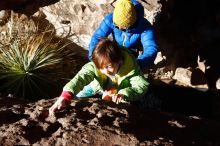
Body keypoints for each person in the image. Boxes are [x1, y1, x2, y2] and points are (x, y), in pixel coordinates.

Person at [49, 38, 149, 114]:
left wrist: (125, 93)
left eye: (109, 66)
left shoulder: (131, 68)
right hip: (98, 85)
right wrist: (65, 96)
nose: (105, 71)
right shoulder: (98, 63)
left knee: (119, 103)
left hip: (119, 91)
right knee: (77, 95)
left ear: (119, 60)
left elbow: (141, 86)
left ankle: (110, 96)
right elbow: (81, 77)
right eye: (101, 68)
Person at [88, 0, 158, 69]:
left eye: (123, 28)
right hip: (114, 49)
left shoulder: (144, 27)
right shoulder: (110, 19)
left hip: (132, 53)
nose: (119, 28)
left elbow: (150, 48)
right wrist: (94, 57)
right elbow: (97, 37)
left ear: (131, 24)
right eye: (116, 26)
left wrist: (137, 64)